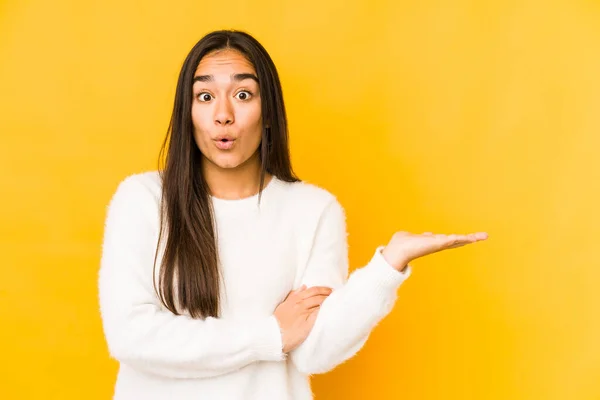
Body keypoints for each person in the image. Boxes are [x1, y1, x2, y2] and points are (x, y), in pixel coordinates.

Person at [98, 29, 488, 400]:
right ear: (187, 113)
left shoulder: (313, 210)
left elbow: (313, 352)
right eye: (204, 97)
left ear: (268, 113)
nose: (223, 115)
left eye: (243, 94)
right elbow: (131, 335)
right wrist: (271, 335)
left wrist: (387, 267)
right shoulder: (143, 200)